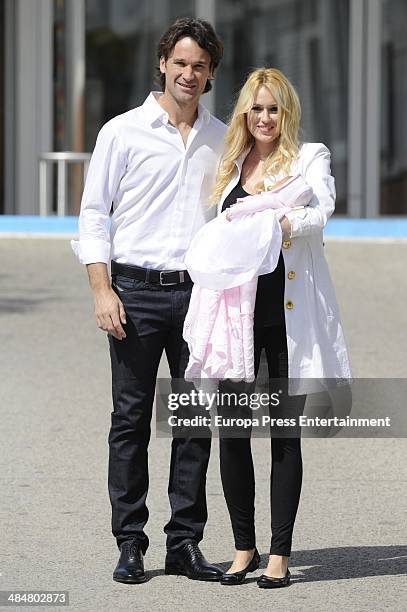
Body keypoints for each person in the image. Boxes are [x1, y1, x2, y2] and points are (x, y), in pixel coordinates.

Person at [71, 17, 227, 584]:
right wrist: (100, 289)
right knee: (131, 421)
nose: (189, 74)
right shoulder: (121, 131)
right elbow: (94, 213)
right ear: (162, 63)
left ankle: (184, 543)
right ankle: (130, 542)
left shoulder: (221, 137)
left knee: (194, 422)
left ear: (210, 74)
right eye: (180, 63)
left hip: (199, 296)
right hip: (133, 292)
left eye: (200, 66)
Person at [207, 67, 351, 588]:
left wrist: (278, 220)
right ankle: (243, 548)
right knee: (232, 434)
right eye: (256, 108)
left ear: (285, 113)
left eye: (273, 109)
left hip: (286, 317)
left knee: (284, 436)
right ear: (244, 112)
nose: (264, 118)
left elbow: (321, 212)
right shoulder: (230, 165)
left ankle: (279, 555)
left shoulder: (310, 157)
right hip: (234, 320)